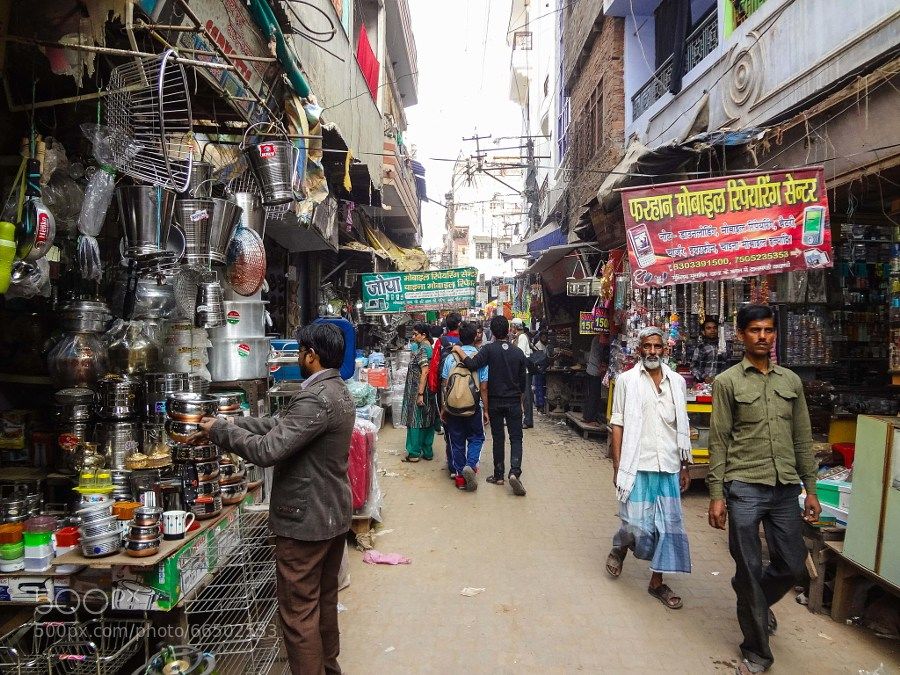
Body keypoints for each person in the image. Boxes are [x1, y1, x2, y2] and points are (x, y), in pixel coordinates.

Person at [197, 323, 354, 675]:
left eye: (300, 351)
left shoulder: (315, 398)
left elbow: (269, 449)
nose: (298, 357)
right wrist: (227, 423)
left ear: (311, 356)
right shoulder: (335, 390)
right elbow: (278, 426)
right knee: (323, 602)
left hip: (307, 521)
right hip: (332, 515)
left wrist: (220, 431)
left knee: (299, 613)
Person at [707, 304, 821, 675]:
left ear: (775, 335)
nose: (762, 337)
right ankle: (756, 652)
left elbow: (802, 438)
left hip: (785, 488)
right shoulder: (727, 383)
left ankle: (756, 603)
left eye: (769, 330)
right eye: (755, 330)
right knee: (750, 569)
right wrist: (716, 495)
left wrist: (812, 488)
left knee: (791, 565)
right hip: (743, 487)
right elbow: (720, 441)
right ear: (741, 335)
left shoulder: (790, 381)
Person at [605, 326, 692, 610]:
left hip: (667, 465)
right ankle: (621, 545)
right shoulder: (627, 380)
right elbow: (617, 424)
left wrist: (685, 466)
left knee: (667, 528)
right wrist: (617, 466)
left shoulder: (677, 382)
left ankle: (657, 582)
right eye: (647, 346)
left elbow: (682, 426)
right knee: (637, 525)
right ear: (639, 349)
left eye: (657, 347)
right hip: (637, 464)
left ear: (665, 349)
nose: (652, 352)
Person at [452, 316, 528, 496]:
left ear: (492, 332)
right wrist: (521, 403)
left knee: (498, 437)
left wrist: (458, 349)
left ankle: (499, 475)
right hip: (513, 401)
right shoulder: (517, 352)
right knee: (516, 438)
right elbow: (523, 383)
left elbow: (471, 364)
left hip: (494, 401)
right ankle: (514, 472)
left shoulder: (487, 350)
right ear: (508, 329)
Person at [441, 321, 489, 491]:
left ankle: (460, 478)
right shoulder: (480, 357)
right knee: (477, 437)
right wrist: (486, 410)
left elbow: (445, 385)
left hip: (453, 407)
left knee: (457, 441)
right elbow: (484, 386)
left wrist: (444, 407)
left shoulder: (450, 358)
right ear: (476, 336)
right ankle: (471, 465)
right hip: (474, 406)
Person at [400, 323, 438, 462]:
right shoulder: (431, 349)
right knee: (427, 420)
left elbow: (425, 371)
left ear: (424, 335)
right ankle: (427, 451)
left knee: (415, 420)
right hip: (429, 391)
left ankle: (414, 452)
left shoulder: (423, 349)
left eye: (416, 334)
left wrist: (420, 394)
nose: (413, 336)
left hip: (418, 390)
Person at [430, 312, 462, 471]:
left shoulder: (441, 342)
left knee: (448, 426)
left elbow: (435, 365)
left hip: (444, 389)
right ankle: (462, 462)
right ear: (459, 324)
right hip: (465, 388)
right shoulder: (466, 341)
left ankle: (452, 465)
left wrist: (433, 388)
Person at [511, 318, 534, 428]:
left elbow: (518, 355)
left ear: (515, 326)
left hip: (524, 372)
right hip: (520, 371)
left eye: (512, 326)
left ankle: (528, 420)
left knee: (526, 397)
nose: (511, 329)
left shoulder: (522, 337)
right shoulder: (517, 337)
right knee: (522, 396)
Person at [691, 317, 725, 384]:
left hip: (721, 384)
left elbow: (728, 366)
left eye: (714, 328)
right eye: (708, 328)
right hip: (703, 384)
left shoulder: (724, 346)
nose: (712, 330)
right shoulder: (701, 348)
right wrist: (704, 377)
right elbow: (693, 367)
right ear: (703, 332)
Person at [582, 334, 607, 426]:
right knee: (594, 395)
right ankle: (590, 418)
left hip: (591, 369)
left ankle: (587, 416)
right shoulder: (599, 339)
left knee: (591, 395)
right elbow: (601, 355)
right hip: (595, 371)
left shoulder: (596, 338)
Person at [531, 329, 549, 410]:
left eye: (545, 336)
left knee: (542, 387)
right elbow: (539, 359)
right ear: (540, 337)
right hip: (539, 369)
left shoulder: (545, 345)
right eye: (543, 336)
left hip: (543, 369)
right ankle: (540, 405)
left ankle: (543, 404)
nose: (544, 338)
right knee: (539, 387)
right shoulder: (538, 345)